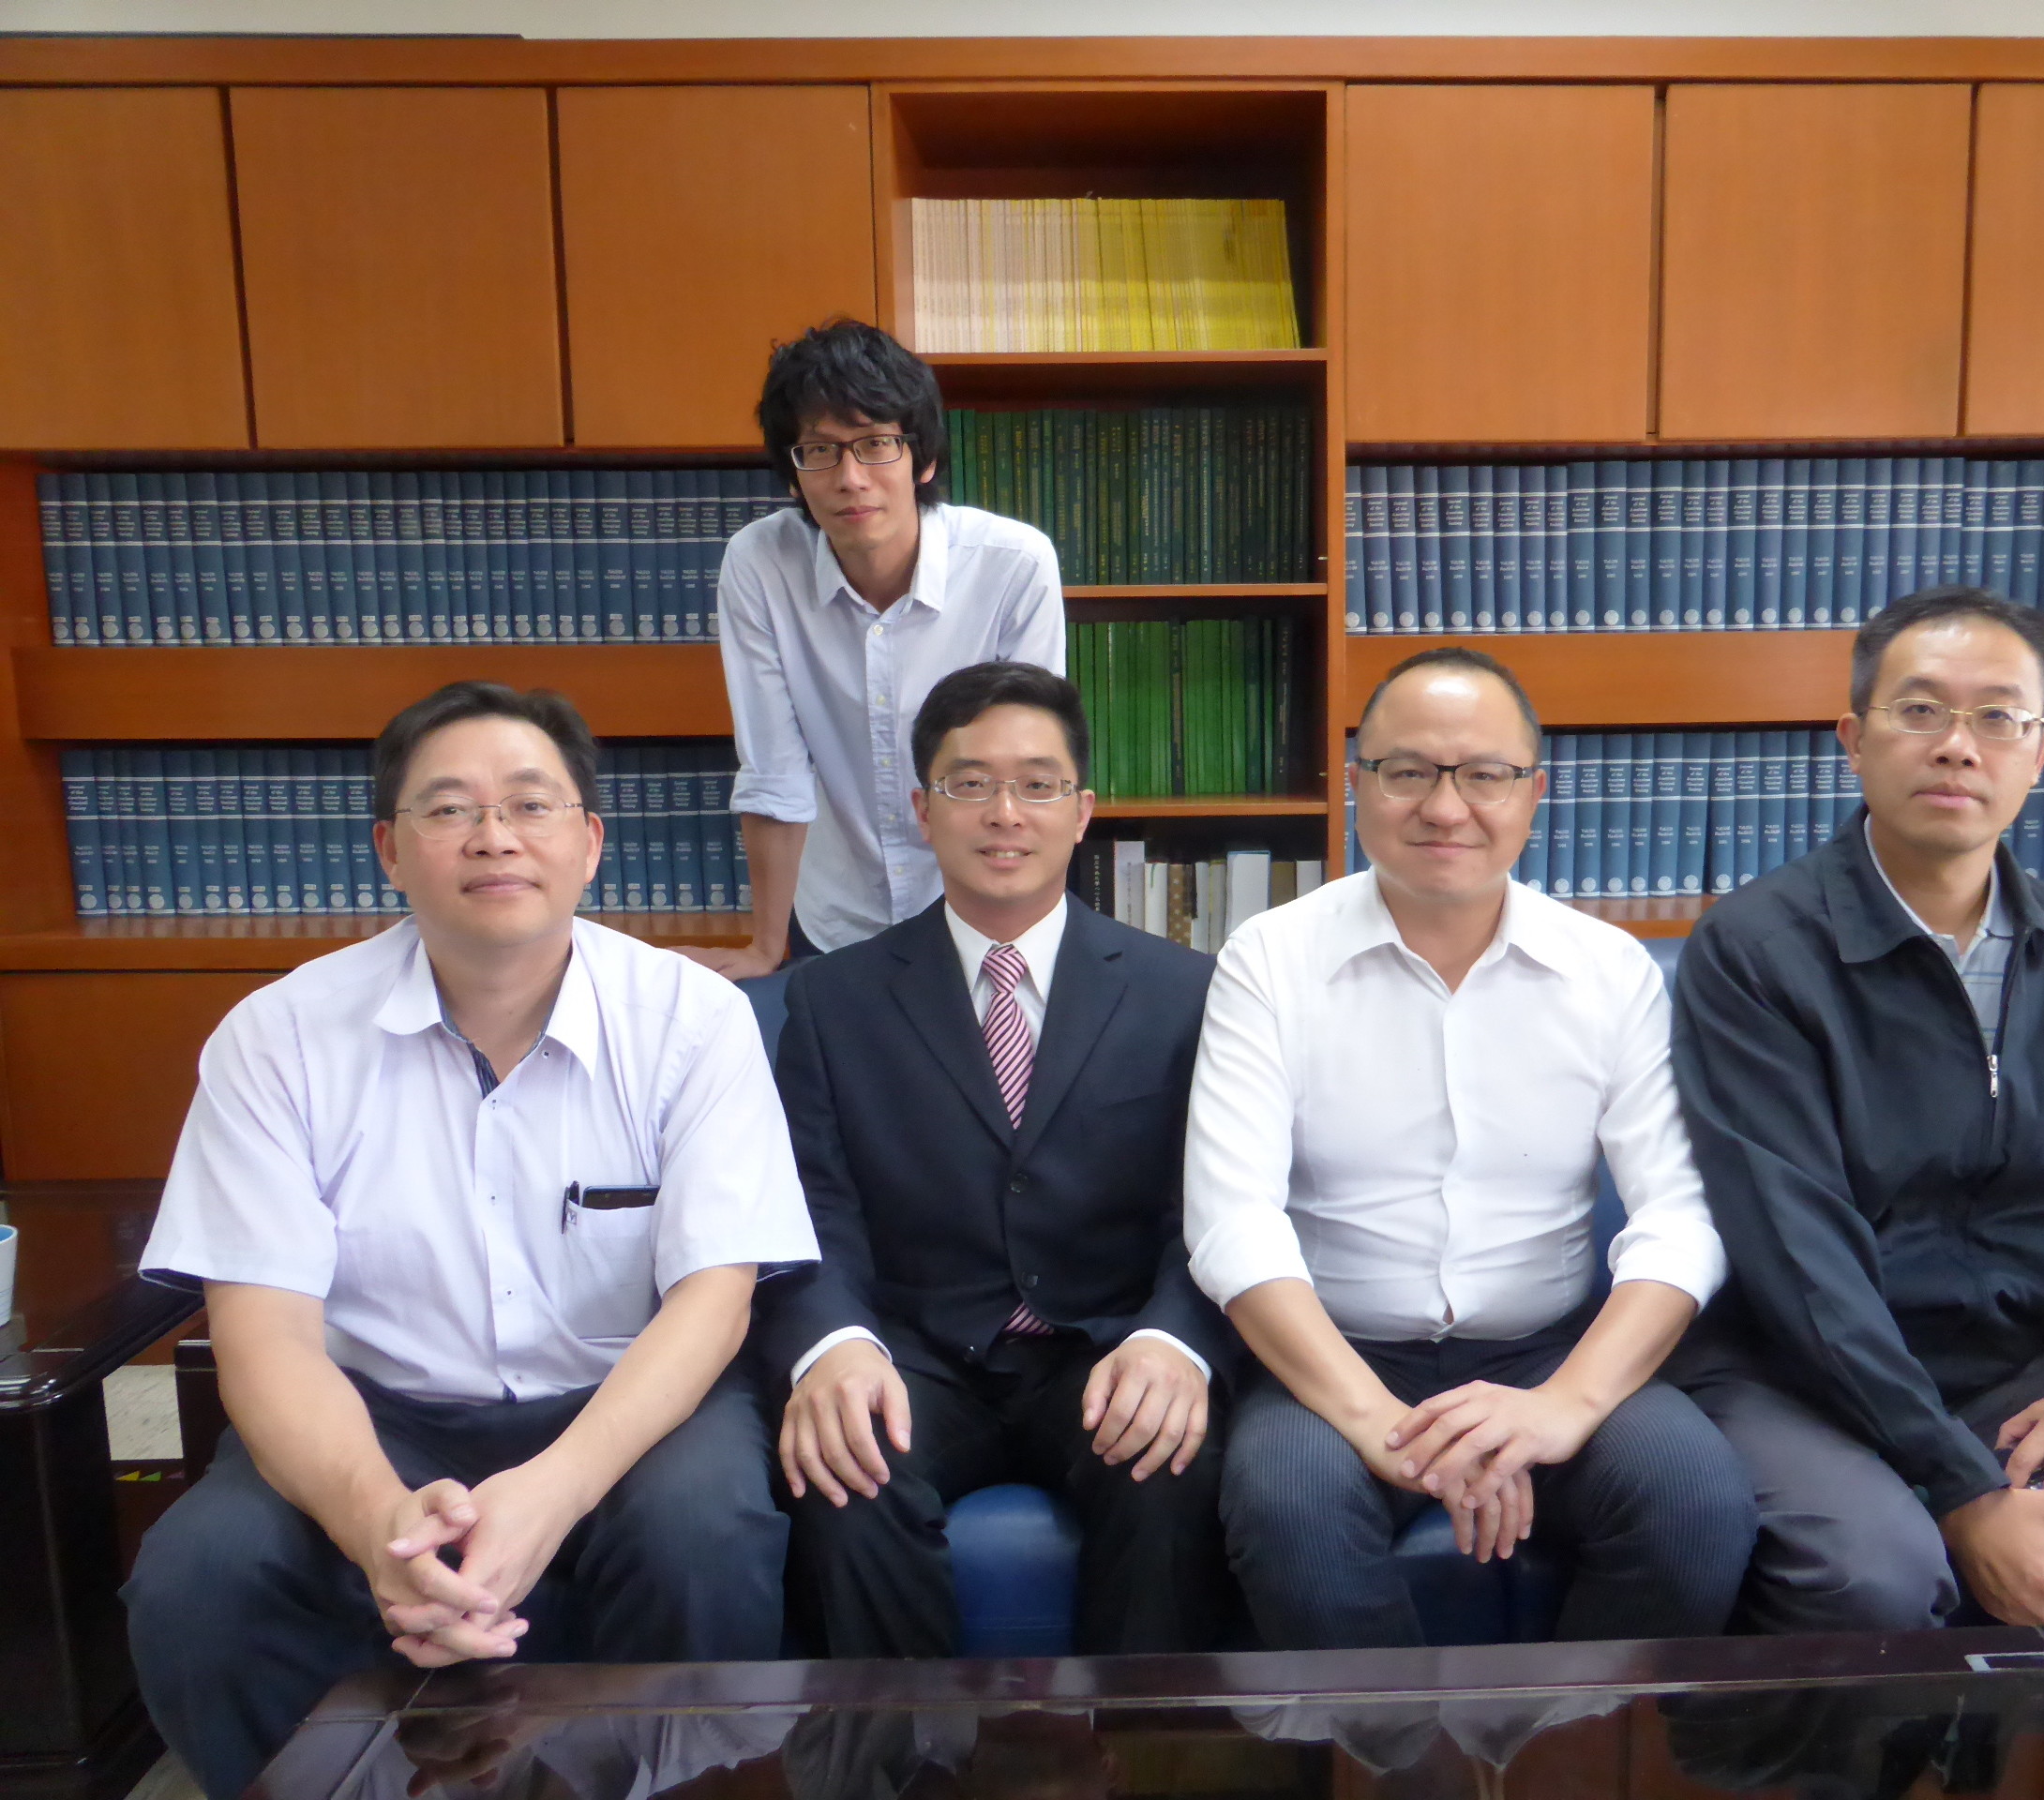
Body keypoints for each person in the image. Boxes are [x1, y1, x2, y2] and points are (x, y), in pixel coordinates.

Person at [123, 682, 816, 1800]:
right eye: (448, 809)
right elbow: (265, 1336)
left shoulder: (693, 1021)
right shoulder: (278, 1037)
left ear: (590, 844)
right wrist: (378, 1525)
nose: (494, 836)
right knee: (198, 1575)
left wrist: (554, 1490)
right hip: (376, 1413)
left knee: (706, 1529)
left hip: (623, 1403)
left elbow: (713, 1297)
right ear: (389, 851)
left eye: (531, 805)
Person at [1667, 586, 2044, 1704]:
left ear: (2041, 752)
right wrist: (1965, 1494)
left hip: (2016, 1371)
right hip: (1797, 1372)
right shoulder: (1756, 951)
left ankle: (2018, 1767)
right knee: (1873, 1576)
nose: (1958, 746)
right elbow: (1799, 1261)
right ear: (1852, 738)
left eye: (1998, 717)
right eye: (1919, 710)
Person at [1185, 645, 1756, 1650]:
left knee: (1694, 1503)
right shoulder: (1268, 961)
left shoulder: (1607, 971)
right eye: (1408, 771)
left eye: (1485, 774)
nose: (1446, 808)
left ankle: (1569, 1736)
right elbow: (1233, 1223)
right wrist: (1377, 1422)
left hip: (1546, 1351)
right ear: (1357, 784)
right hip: (1335, 1354)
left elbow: (1679, 1218)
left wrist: (1562, 1407)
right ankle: (1397, 1744)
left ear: (1535, 792)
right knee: (1290, 1513)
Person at [759, 660, 1233, 1656]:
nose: (1004, 813)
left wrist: (1174, 1340)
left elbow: (1216, 1212)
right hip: (915, 1355)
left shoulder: (1185, 993)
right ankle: (902, 1742)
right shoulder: (832, 1001)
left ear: (1082, 811)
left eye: (1037, 785)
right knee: (844, 1471)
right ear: (924, 812)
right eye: (970, 784)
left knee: (1167, 1465)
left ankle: (1144, 1739)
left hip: (1107, 1346)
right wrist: (835, 1345)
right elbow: (810, 1213)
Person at [684, 320, 1066, 978]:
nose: (851, 478)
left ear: (924, 458)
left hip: (982, 906)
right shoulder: (760, 563)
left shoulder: (1013, 565)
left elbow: (1026, 770)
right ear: (793, 474)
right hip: (832, 914)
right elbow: (773, 768)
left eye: (876, 444)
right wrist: (765, 948)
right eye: (820, 451)